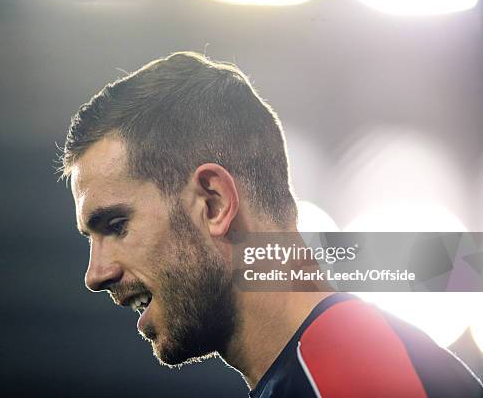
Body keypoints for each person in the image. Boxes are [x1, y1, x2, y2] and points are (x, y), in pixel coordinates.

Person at [59, 52, 483, 397]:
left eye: (115, 225)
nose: (96, 275)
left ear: (213, 203)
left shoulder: (350, 368)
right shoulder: (326, 368)